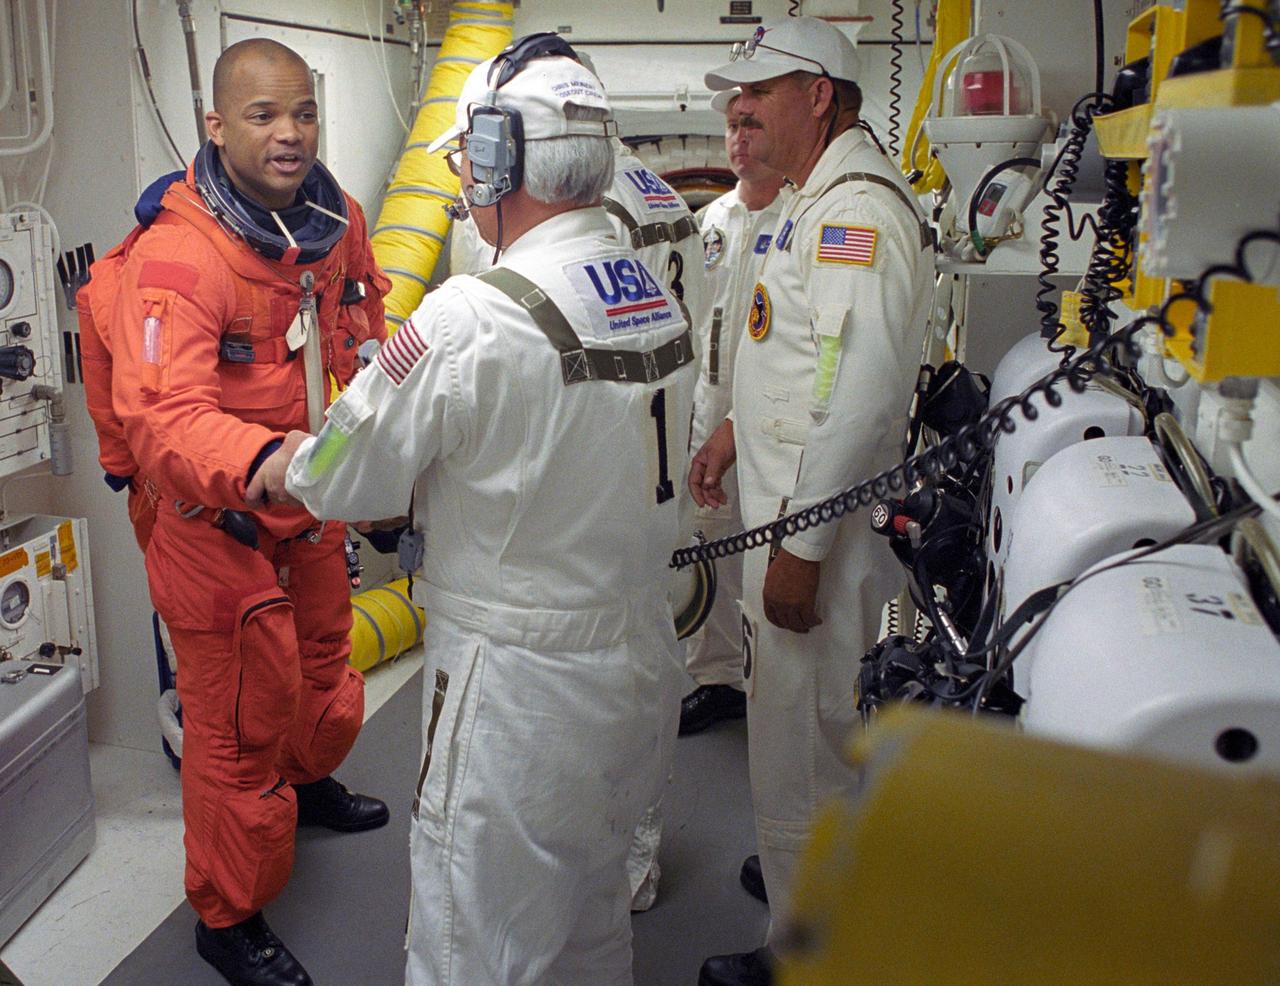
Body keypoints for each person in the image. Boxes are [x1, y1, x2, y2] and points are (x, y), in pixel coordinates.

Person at [247, 36, 697, 986]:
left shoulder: (470, 315)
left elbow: (349, 475)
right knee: (591, 926)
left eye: (467, 159)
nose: (460, 181)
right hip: (636, 662)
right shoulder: (651, 293)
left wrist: (289, 463)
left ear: (498, 159)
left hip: (518, 687)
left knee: (473, 947)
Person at [102, 38, 391, 986]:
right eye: (264, 116)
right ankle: (225, 919)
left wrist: (377, 451)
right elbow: (163, 418)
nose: (290, 134)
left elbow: (361, 331)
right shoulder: (183, 254)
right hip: (208, 513)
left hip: (304, 490)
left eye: (304, 113)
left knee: (322, 653)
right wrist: (268, 462)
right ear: (218, 126)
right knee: (235, 719)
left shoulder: (335, 221)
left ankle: (307, 783)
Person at [691, 18, 935, 986]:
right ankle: (805, 879)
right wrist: (733, 430)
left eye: (760, 91)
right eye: (736, 95)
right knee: (796, 734)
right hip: (792, 511)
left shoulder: (853, 216)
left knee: (805, 739)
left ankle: (805, 954)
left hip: (814, 532)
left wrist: (799, 549)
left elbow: (859, 393)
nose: (739, 109)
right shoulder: (809, 200)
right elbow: (801, 359)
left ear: (820, 95)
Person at [679, 88, 787, 740]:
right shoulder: (710, 223)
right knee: (708, 544)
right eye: (732, 126)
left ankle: (773, 684)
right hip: (707, 406)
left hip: (773, 416)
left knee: (772, 551)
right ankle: (717, 678)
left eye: (752, 125)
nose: (739, 138)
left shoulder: (801, 218)